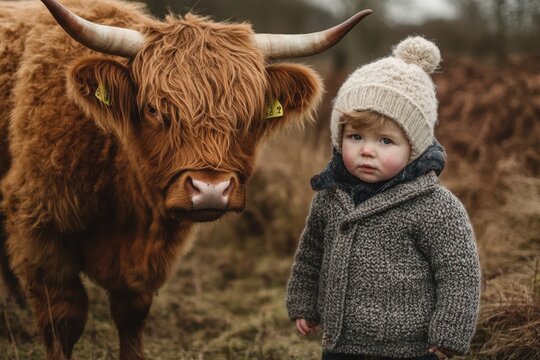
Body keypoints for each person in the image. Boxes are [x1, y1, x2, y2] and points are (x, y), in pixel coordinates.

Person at [286, 36, 481, 360]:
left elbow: (459, 272)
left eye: (386, 141)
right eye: (356, 136)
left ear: (414, 147)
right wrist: (304, 302)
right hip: (340, 345)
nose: (367, 149)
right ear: (340, 136)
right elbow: (311, 254)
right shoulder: (331, 196)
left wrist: (449, 332)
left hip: (409, 349)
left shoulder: (435, 206)